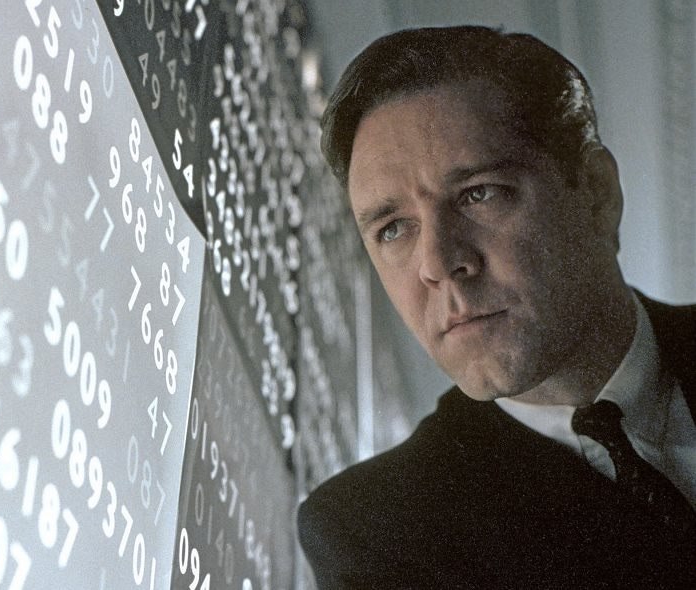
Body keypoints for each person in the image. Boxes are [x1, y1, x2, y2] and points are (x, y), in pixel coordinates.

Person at [297, 26, 696, 588]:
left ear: (597, 193)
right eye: (393, 229)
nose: (438, 263)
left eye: (478, 193)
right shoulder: (378, 538)